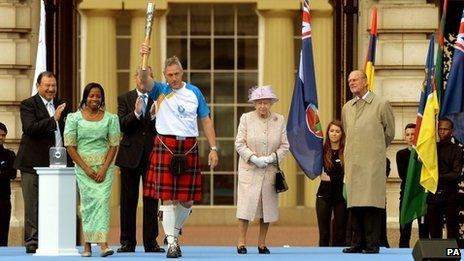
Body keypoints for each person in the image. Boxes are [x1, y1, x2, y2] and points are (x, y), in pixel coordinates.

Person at [139, 44, 219, 258]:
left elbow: (206, 120)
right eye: (169, 75)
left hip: (189, 146)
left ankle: (172, 230)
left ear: (182, 72)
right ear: (164, 75)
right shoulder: (161, 90)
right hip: (165, 144)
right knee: (168, 197)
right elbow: (145, 80)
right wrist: (144, 58)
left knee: (187, 200)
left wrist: (213, 148)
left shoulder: (194, 92)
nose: (173, 78)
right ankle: (172, 243)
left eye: (176, 74)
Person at [14, 71, 69, 254]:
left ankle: (51, 239)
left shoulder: (62, 105)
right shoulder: (28, 105)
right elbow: (30, 129)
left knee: (54, 203)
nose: (51, 89)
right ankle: (32, 241)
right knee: (33, 204)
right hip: (32, 163)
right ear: (39, 86)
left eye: (53, 85)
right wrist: (53, 120)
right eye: (47, 85)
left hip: (58, 163)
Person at [64, 82, 121, 257]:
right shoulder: (74, 118)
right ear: (85, 97)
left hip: (105, 169)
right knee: (88, 206)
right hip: (83, 169)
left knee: (102, 204)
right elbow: (70, 146)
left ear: (102, 98)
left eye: (98, 96)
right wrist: (86, 169)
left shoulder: (111, 118)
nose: (95, 99)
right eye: (91, 95)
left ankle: (104, 245)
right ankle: (87, 246)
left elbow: (113, 145)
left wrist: (104, 168)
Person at [341, 70, 395, 254]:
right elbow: (348, 132)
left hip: (372, 163)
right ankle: (357, 243)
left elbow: (389, 133)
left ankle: (372, 244)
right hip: (354, 163)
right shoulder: (347, 107)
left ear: (366, 81)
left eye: (355, 79)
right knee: (355, 203)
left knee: (371, 203)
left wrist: (375, 149)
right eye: (349, 80)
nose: (351, 82)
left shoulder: (381, 104)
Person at [235, 85, 289, 255]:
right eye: (259, 103)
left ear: (271, 103)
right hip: (250, 169)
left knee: (267, 209)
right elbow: (239, 143)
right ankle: (241, 242)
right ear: (254, 104)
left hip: (269, 170)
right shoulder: (246, 118)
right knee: (246, 208)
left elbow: (285, 145)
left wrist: (272, 158)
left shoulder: (279, 119)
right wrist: (253, 158)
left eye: (266, 103)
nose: (263, 106)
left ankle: (262, 243)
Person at [115, 68, 164, 253]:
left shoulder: (158, 98)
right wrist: (135, 113)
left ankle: (151, 242)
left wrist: (152, 116)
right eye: (141, 76)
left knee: (151, 200)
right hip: (129, 157)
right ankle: (127, 242)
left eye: (148, 76)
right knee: (128, 201)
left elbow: (163, 127)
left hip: (152, 156)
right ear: (136, 78)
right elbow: (121, 125)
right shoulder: (124, 98)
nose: (144, 80)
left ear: (152, 79)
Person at [426, 118, 463, 240]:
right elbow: (418, 156)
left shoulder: (457, 150)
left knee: (452, 229)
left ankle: (452, 256)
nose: (442, 132)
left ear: (451, 131)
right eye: (440, 129)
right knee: (434, 228)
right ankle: (437, 256)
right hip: (433, 194)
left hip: (450, 195)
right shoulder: (432, 148)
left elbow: (456, 174)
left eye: (445, 129)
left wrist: (437, 177)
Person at [396, 123, 429, 247]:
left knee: (424, 231)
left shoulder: (425, 154)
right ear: (404, 137)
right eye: (408, 134)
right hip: (406, 196)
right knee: (404, 231)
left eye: (413, 134)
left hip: (422, 196)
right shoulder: (401, 154)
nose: (410, 137)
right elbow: (403, 175)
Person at [316, 120, 347, 247]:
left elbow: (346, 175)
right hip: (324, 196)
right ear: (328, 133)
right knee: (324, 233)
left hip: (341, 196)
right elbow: (315, 168)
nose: (334, 134)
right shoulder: (321, 151)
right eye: (332, 131)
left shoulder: (346, 152)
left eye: (337, 131)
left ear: (342, 134)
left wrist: (331, 178)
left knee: (340, 233)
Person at [0, 122, 16, 246]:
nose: (1, 137)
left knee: (3, 232)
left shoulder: (10, 154)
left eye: (3, 135)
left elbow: (12, 174)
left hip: (4, 198)